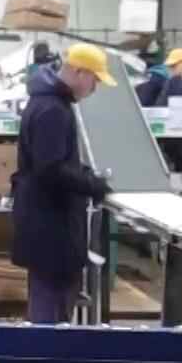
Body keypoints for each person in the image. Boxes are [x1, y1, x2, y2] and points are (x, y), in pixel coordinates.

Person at [12, 43, 116, 325]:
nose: (95, 88)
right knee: (51, 315)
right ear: (80, 73)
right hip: (50, 229)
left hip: (45, 224)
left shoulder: (48, 102)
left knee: (49, 307)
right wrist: (92, 185)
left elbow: (54, 161)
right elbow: (51, 169)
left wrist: (84, 173)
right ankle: (45, 352)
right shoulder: (53, 110)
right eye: (95, 80)